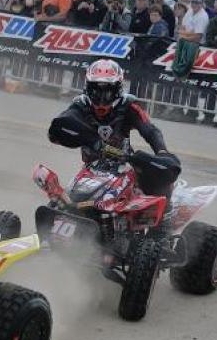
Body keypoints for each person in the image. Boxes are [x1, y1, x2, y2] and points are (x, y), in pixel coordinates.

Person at [48, 59, 177, 230]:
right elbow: (58, 127)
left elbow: (150, 130)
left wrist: (162, 151)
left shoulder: (129, 105)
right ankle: (52, 226)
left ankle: (162, 227)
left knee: (158, 172)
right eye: (96, 90)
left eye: (107, 91)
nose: (101, 99)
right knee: (69, 199)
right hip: (92, 168)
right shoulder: (80, 104)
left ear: (118, 89)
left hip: (124, 165)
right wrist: (89, 140)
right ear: (88, 87)